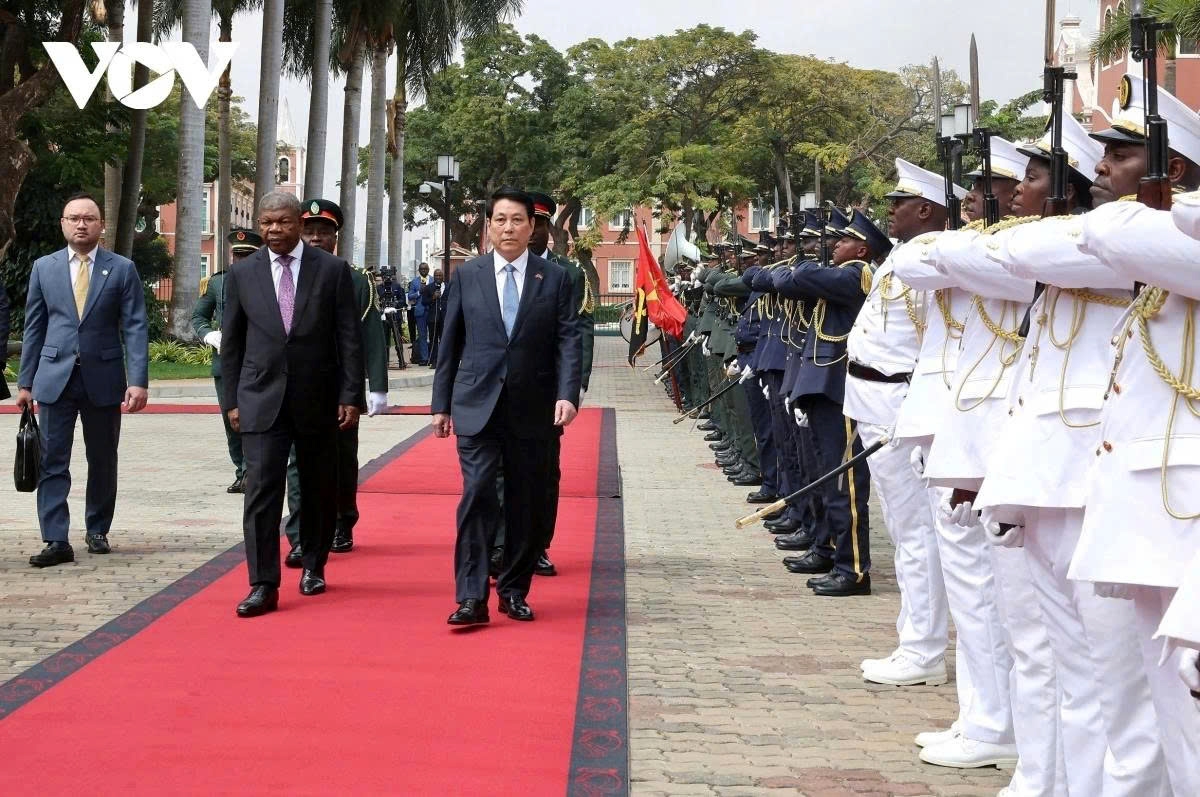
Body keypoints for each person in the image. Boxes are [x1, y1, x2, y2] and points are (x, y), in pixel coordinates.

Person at [431, 186, 582, 626]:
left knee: (524, 502)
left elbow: (568, 339)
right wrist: (441, 404)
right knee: (478, 495)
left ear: (532, 227)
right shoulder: (467, 275)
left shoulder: (554, 278)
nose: (509, 228)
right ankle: (471, 597)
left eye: (517, 220)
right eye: (500, 219)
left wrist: (568, 394)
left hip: (534, 409)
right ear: (488, 226)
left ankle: (513, 590)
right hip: (477, 405)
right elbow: (450, 342)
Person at [220, 191, 364, 618]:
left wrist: (350, 395)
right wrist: (231, 401)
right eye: (266, 223)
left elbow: (348, 340)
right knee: (262, 491)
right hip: (260, 400)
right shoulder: (242, 274)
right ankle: (262, 583)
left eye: (282, 222)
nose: (273, 231)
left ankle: (314, 564)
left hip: (318, 400)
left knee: (319, 488)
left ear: (299, 224)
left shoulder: (332, 271)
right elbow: (232, 344)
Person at [16, 191, 149, 566]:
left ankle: (97, 529)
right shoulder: (44, 267)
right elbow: (34, 328)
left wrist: (137, 380)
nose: (81, 224)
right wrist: (25, 384)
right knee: (52, 460)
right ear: (63, 224)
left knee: (102, 457)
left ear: (101, 224)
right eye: (73, 218)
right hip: (54, 378)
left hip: (103, 378)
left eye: (88, 218)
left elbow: (136, 327)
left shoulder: (121, 269)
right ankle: (56, 539)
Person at [279, 198, 389, 563]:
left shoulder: (354, 279)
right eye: (308, 232)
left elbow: (369, 334)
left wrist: (376, 388)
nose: (314, 238)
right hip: (297, 385)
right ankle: (300, 535)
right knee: (298, 463)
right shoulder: (287, 274)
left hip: (341, 387)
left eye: (322, 233)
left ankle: (343, 520)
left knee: (341, 459)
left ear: (335, 238)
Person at [526, 191, 596, 576]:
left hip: (548, 387)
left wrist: (575, 386)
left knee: (544, 470)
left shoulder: (568, 272)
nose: (532, 231)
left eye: (539, 223)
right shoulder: (495, 269)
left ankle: (538, 544)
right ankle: (503, 544)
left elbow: (580, 331)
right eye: (526, 221)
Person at [193, 228, 262, 494]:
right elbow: (198, 316)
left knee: (258, 419)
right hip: (227, 364)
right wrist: (210, 335)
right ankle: (242, 471)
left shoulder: (267, 280)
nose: (240, 261)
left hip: (257, 362)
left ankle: (255, 472)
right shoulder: (218, 282)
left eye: (247, 256)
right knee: (230, 419)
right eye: (237, 255)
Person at [407, 262, 432, 364]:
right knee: (422, 335)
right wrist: (418, 293)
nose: (423, 271)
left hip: (431, 311)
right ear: (419, 270)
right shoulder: (414, 282)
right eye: (421, 269)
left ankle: (433, 357)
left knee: (433, 335)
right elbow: (410, 296)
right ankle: (424, 358)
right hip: (420, 312)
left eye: (425, 269)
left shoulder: (434, 280)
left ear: (428, 269)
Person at [423, 268, 446, 364]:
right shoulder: (428, 287)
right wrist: (433, 297)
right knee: (433, 340)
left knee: (444, 339)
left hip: (445, 318)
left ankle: (444, 360)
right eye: (436, 275)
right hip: (433, 318)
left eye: (440, 275)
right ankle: (434, 360)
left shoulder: (449, 286)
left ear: (443, 277)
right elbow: (424, 302)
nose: (438, 277)